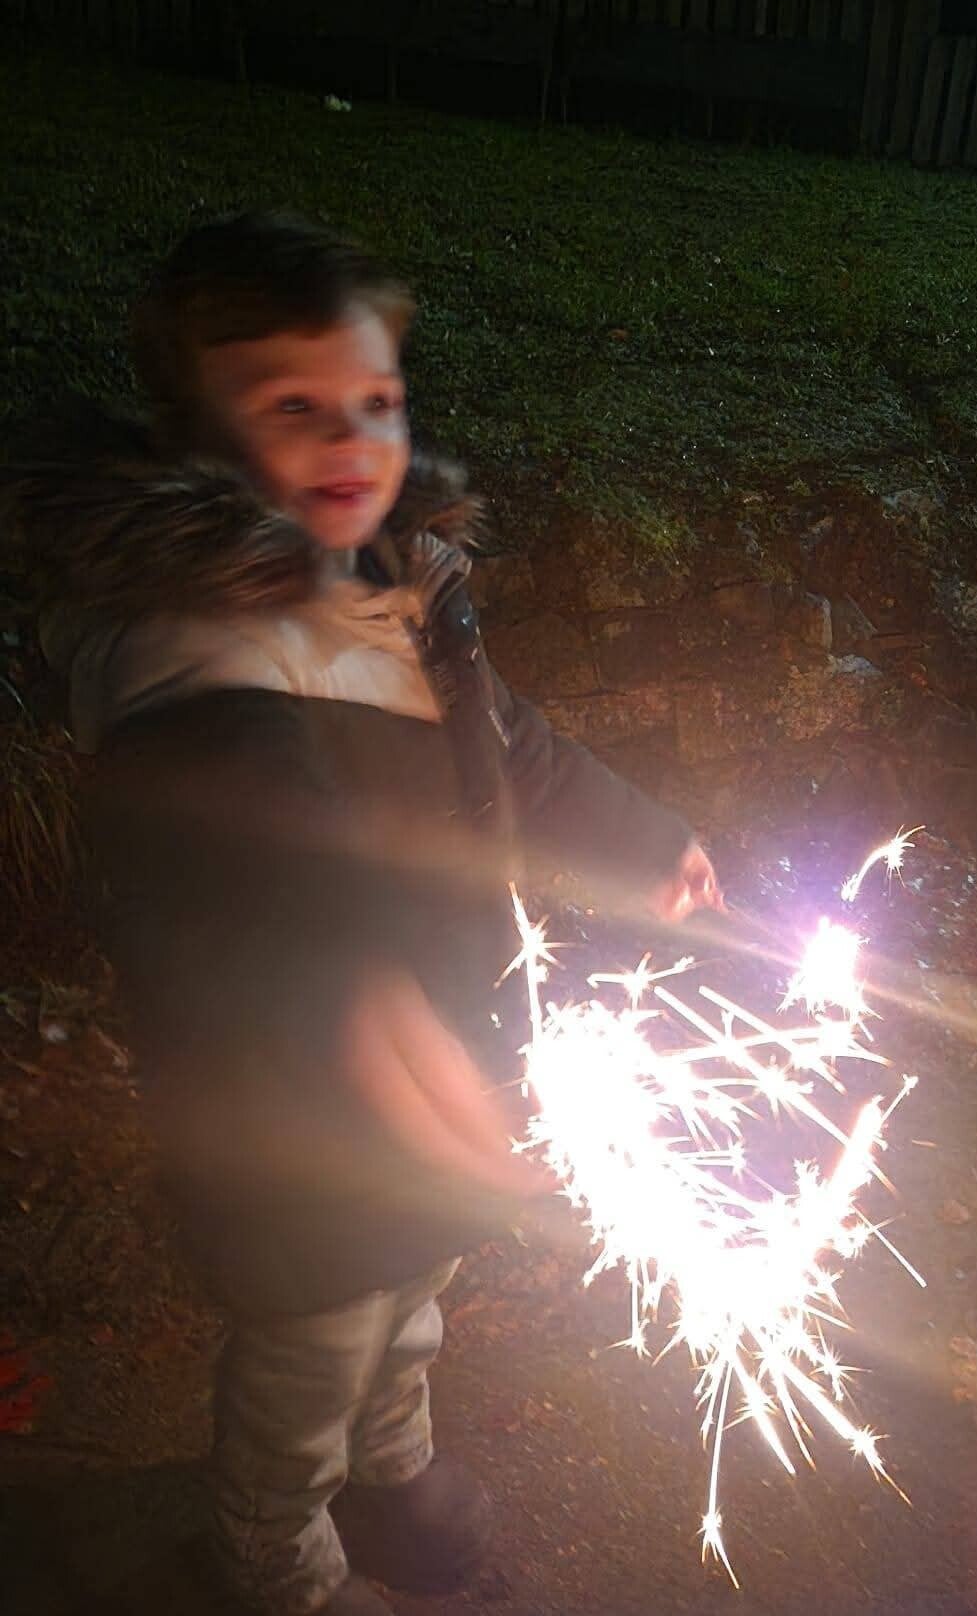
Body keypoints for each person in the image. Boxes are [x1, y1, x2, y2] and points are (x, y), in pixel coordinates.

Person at [1, 209, 722, 1615]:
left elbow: (513, 750)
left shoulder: (400, 590)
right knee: (314, 1343)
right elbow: (244, 882)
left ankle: (392, 1472)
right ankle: (272, 1556)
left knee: (412, 1295)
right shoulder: (187, 651)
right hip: (292, 1097)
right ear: (196, 440)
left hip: (442, 1041)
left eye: (376, 403)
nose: (351, 441)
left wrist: (646, 839)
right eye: (293, 408)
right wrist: (366, 1007)